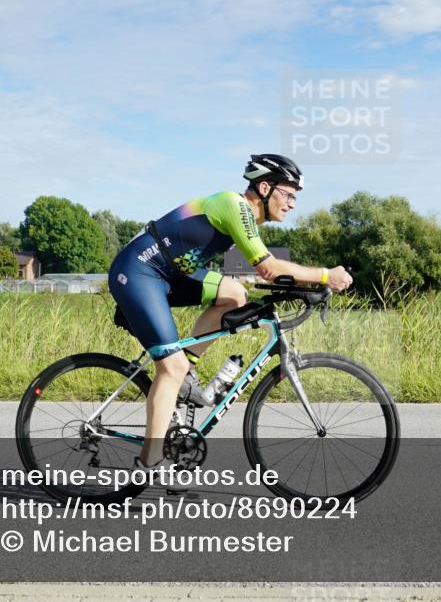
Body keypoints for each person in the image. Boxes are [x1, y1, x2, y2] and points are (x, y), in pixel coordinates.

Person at [107, 154, 353, 468]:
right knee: (170, 369)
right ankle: (150, 464)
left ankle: (187, 371)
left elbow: (267, 272)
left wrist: (306, 289)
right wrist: (324, 275)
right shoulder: (234, 206)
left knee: (235, 294)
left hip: (170, 273)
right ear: (265, 187)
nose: (292, 203)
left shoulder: (246, 216)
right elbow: (269, 268)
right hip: (140, 271)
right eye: (288, 194)